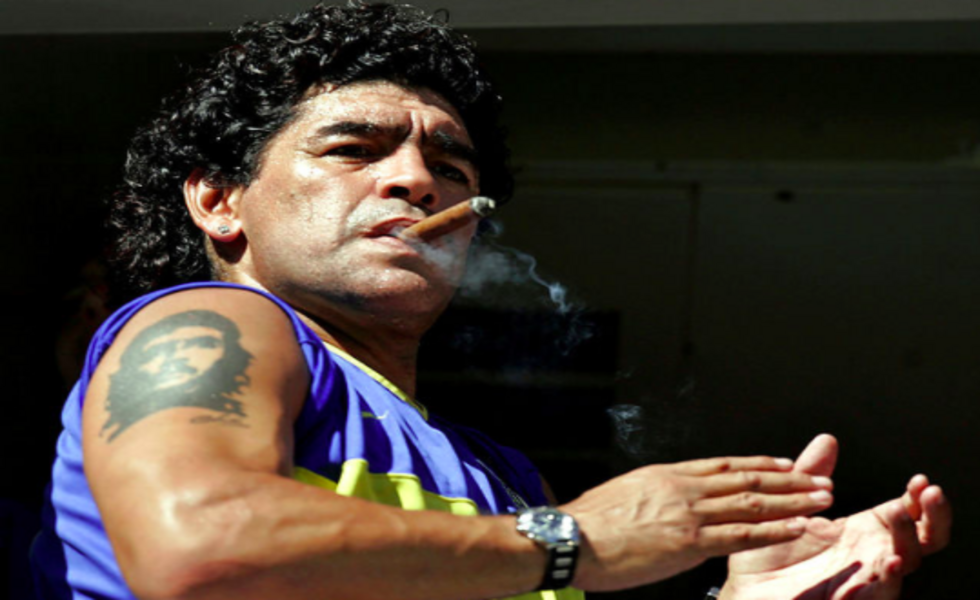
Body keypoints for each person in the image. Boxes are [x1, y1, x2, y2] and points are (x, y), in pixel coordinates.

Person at [33, 3, 950, 599]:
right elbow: (198, 543)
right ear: (218, 200)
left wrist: (752, 596)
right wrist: (574, 539)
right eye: (353, 150)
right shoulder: (214, 324)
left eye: (451, 166)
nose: (416, 181)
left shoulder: (504, 480)